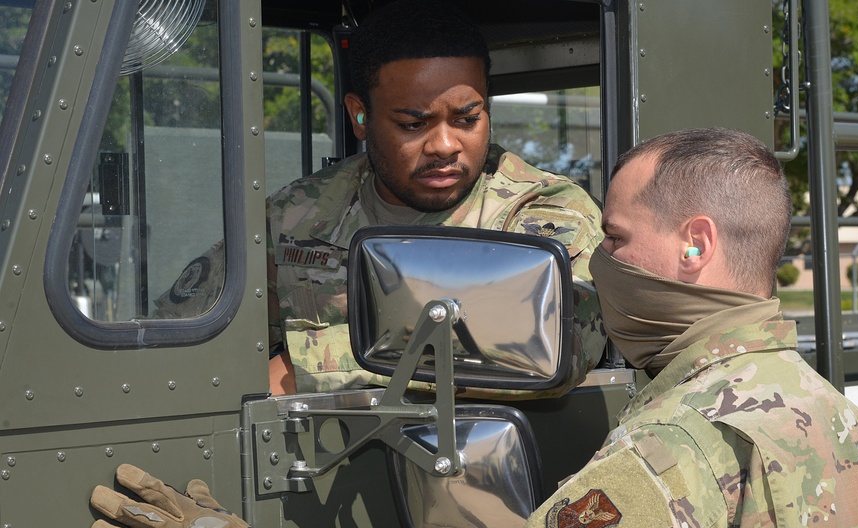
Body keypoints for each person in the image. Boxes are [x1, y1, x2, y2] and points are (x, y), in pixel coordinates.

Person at [90, 128, 858, 528]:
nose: (596, 265)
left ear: (694, 247)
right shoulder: (825, 411)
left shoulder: (685, 446)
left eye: (618, 240)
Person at [153, 0, 605, 398]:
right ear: (359, 115)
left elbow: (551, 353)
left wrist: (308, 368)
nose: (445, 145)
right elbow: (181, 334)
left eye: (467, 119)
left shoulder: (543, 213)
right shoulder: (301, 213)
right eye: (414, 124)